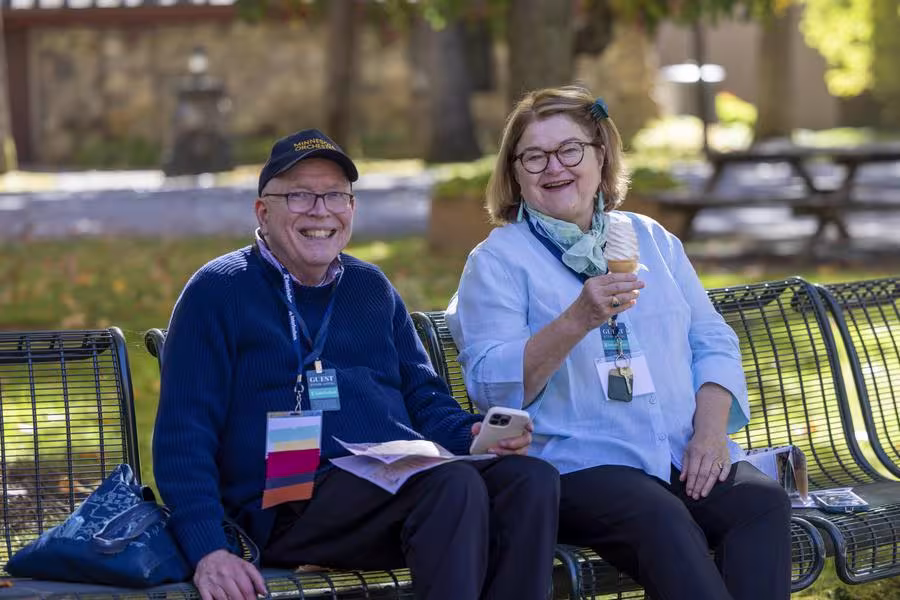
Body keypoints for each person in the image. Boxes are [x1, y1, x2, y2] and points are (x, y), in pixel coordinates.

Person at [153, 129, 560, 600]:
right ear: (263, 211)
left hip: (399, 486)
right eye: (300, 195)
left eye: (334, 196)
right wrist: (209, 549)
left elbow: (423, 396)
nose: (320, 210)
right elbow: (184, 435)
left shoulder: (369, 286)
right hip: (286, 500)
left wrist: (470, 435)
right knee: (452, 485)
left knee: (529, 481)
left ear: (351, 208)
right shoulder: (219, 290)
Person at [446, 85, 792, 600]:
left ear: (600, 153)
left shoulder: (648, 238)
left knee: (760, 502)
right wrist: (576, 319)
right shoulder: (497, 261)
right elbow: (491, 384)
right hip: (577, 464)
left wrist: (711, 433)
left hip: (677, 450)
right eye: (534, 156)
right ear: (515, 172)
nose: (553, 167)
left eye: (570, 150)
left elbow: (711, 338)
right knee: (661, 516)